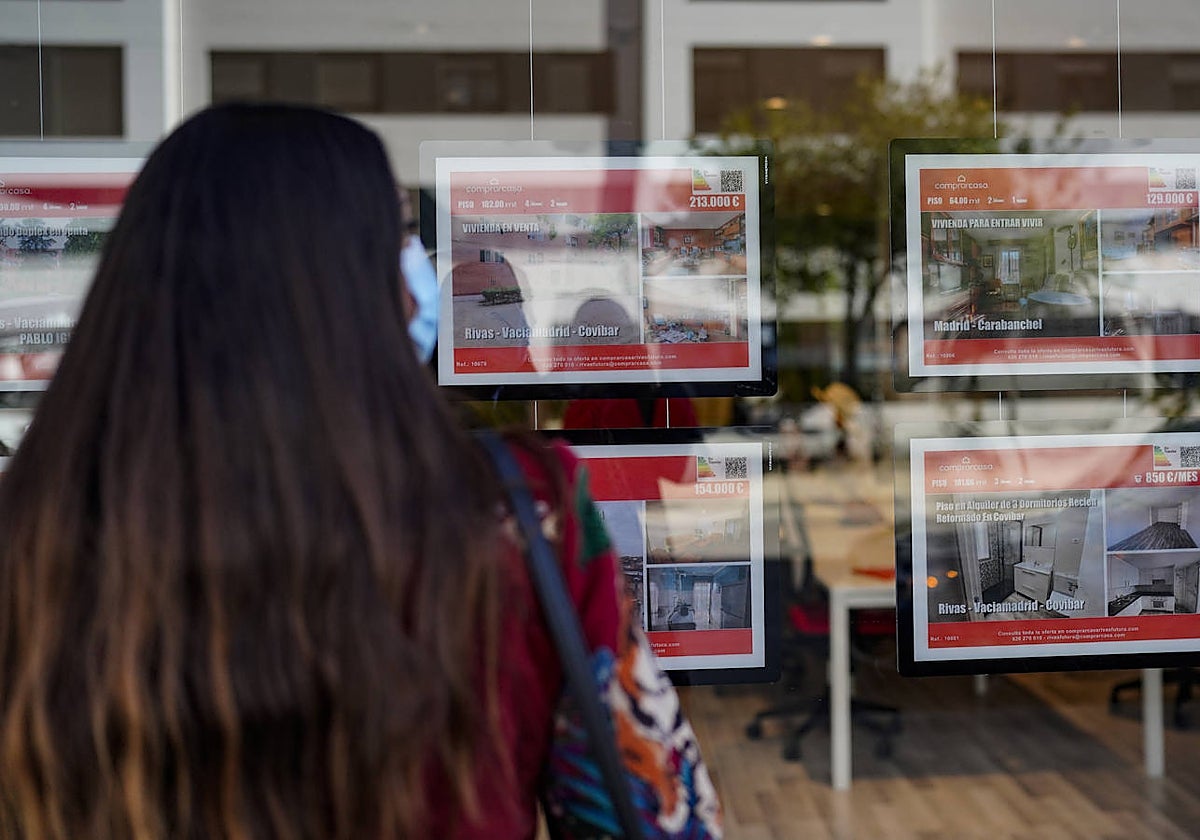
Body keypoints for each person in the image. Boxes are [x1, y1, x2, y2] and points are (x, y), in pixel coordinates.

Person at [0, 104, 720, 839]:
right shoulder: (516, 514)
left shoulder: (35, 528)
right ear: (354, 283)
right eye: (398, 235)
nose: (420, 269)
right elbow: (658, 812)